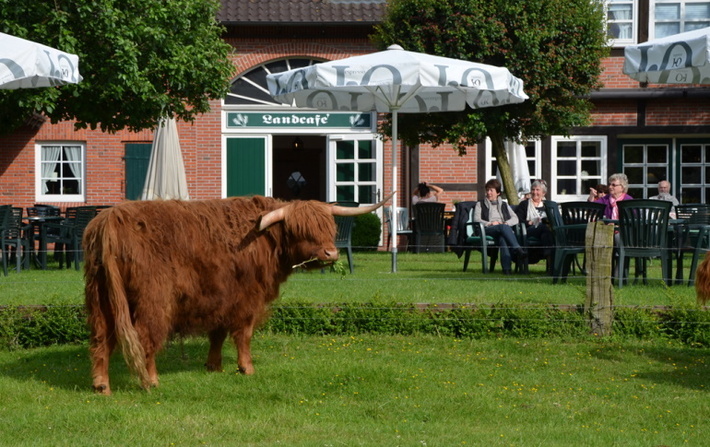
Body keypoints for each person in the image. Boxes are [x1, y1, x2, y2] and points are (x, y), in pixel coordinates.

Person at [473, 179, 527, 275]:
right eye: (487, 190)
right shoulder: (480, 204)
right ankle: (517, 249)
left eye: (491, 190)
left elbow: (515, 218)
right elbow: (476, 219)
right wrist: (490, 223)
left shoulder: (504, 205)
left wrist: (507, 223)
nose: (488, 193)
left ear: (498, 193)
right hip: (487, 229)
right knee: (502, 228)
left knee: (503, 237)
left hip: (502, 229)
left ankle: (507, 270)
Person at [515, 179, 554, 273]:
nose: (534, 192)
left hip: (544, 232)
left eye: (537, 190)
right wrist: (529, 222)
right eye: (533, 189)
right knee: (544, 227)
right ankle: (550, 260)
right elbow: (518, 220)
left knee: (546, 232)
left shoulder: (547, 206)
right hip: (528, 230)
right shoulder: (524, 204)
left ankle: (550, 264)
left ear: (543, 193)